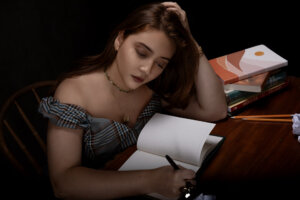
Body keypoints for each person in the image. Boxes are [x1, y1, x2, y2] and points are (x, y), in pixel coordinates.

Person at [39, 1, 227, 199]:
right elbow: (63, 184)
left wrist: (190, 41)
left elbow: (215, 110)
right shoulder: (74, 92)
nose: (147, 70)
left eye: (160, 64)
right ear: (120, 39)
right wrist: (151, 181)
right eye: (141, 53)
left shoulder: (152, 90)